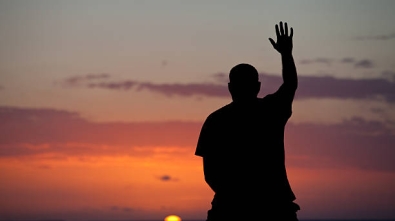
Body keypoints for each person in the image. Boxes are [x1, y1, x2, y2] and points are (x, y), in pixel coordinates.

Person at [195, 21, 300, 220]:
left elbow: (210, 174)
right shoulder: (271, 111)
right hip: (273, 208)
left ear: (230, 87)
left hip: (232, 209)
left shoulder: (216, 120)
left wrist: (235, 199)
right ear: (258, 86)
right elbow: (290, 84)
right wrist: (286, 54)